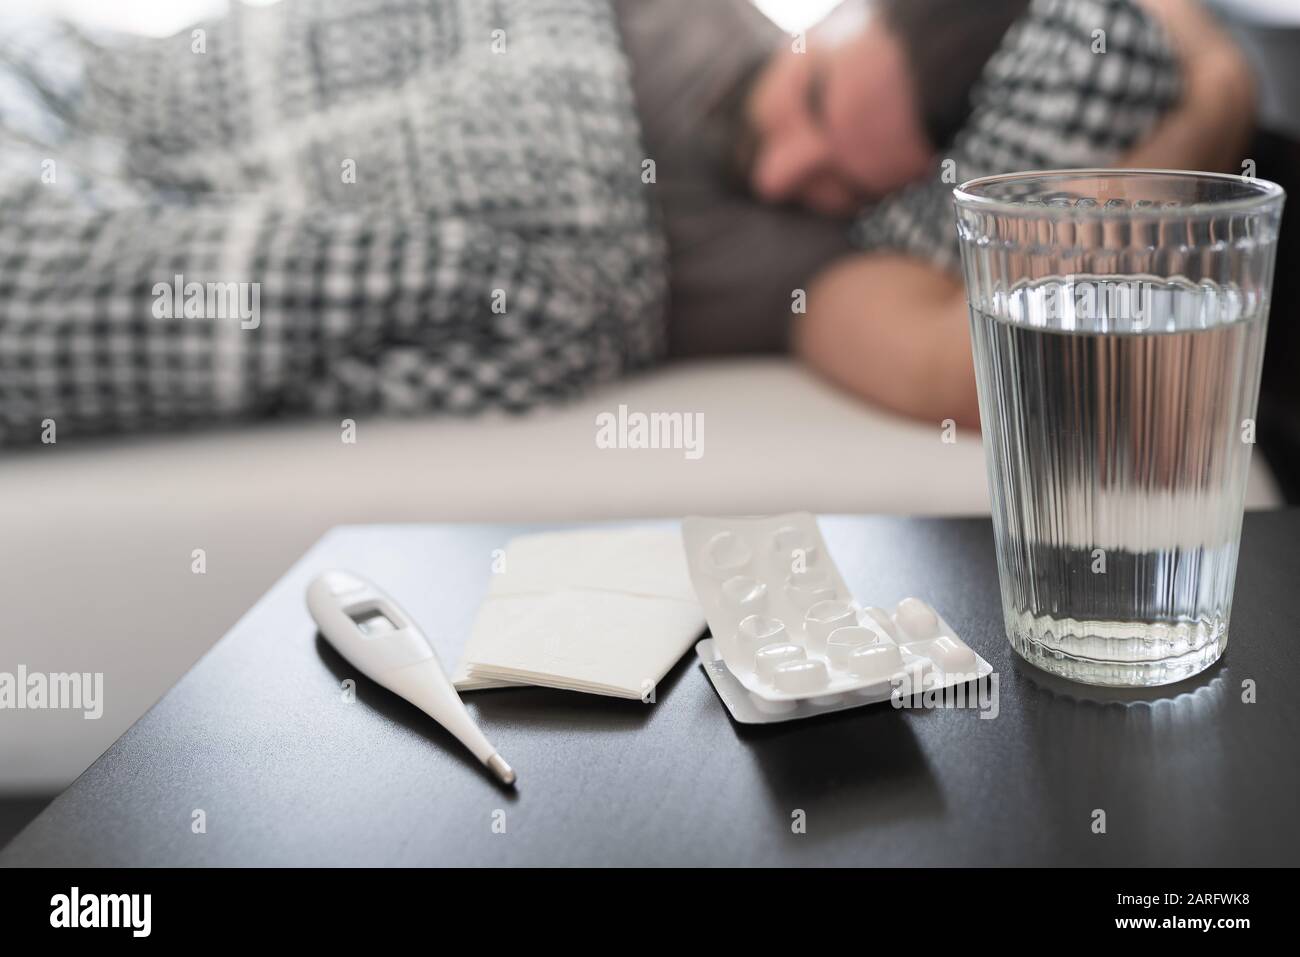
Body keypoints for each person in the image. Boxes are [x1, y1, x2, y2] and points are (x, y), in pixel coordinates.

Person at [0, 0, 1252, 444]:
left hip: (193, 235)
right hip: (112, 91)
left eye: (842, 179)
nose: (792, 167)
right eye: (817, 100)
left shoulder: (833, 273)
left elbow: (995, 358)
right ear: (838, 19)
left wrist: (1217, 100)